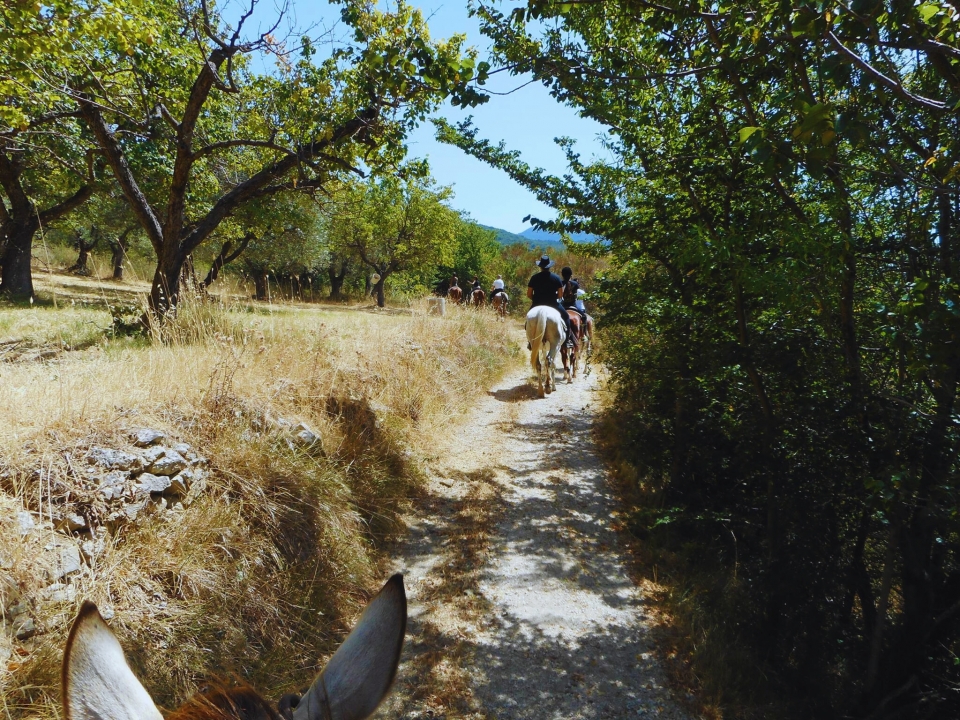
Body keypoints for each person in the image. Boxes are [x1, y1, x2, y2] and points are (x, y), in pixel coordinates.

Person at [527, 255, 577, 348]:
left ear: (540, 266)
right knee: (566, 317)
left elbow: (529, 294)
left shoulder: (534, 277)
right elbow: (560, 295)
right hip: (553, 304)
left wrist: (536, 299)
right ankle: (567, 341)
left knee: (528, 320)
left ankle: (530, 342)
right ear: (549, 266)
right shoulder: (556, 278)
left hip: (537, 303)